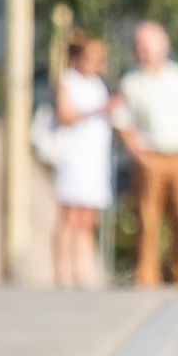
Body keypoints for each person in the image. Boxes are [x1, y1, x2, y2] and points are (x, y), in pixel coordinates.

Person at [111, 21, 178, 287]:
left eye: (148, 46)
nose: (143, 52)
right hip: (150, 157)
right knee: (147, 221)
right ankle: (146, 279)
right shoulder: (131, 83)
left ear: (163, 47)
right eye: (139, 47)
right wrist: (136, 152)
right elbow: (121, 123)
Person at [51, 32, 114, 288]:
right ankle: (63, 273)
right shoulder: (68, 82)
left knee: (88, 218)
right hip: (74, 156)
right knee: (70, 215)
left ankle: (83, 272)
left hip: (95, 158)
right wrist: (97, 110)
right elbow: (64, 115)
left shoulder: (98, 85)